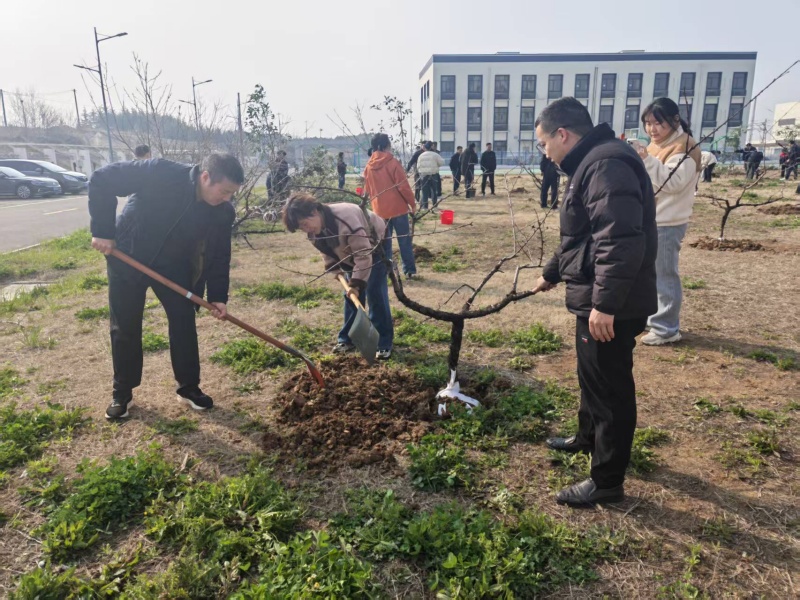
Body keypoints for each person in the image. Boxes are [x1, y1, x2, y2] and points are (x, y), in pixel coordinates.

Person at [531, 97, 657, 508]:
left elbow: (618, 239)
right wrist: (552, 272)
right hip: (598, 296)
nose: (544, 152)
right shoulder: (592, 162)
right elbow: (583, 235)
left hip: (610, 304)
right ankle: (587, 438)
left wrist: (605, 304)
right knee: (592, 377)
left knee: (609, 390)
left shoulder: (604, 165)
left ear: (562, 135)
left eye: (544, 143)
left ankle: (606, 480)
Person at [88, 154, 244, 420]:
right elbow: (101, 179)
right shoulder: (160, 172)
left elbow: (219, 255)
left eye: (232, 193)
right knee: (125, 324)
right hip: (128, 255)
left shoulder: (222, 211)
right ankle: (122, 392)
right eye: (225, 191)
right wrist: (103, 231)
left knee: (183, 320)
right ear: (206, 177)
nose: (227, 198)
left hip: (174, 266)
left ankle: (188, 387)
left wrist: (218, 297)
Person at [282, 193, 393, 360]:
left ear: (314, 212)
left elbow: (363, 256)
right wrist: (335, 270)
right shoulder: (314, 230)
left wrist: (356, 284)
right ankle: (347, 339)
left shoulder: (346, 220)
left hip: (375, 245)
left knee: (375, 291)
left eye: (305, 224)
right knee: (350, 295)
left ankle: (383, 342)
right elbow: (326, 250)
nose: (306, 230)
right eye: (301, 228)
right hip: (350, 252)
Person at [631, 97, 701, 346]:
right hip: (652, 219)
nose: (652, 129)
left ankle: (667, 328)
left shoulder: (685, 146)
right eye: (648, 123)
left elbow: (673, 182)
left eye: (657, 123)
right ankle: (656, 318)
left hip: (668, 222)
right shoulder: (656, 145)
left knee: (664, 274)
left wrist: (645, 159)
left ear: (675, 120)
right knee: (651, 273)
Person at [363, 133, 417, 279]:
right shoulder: (393, 162)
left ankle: (386, 272)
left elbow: (367, 190)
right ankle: (409, 271)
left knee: (384, 243)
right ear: (385, 146)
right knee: (404, 240)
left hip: (379, 211)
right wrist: (412, 203)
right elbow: (403, 187)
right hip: (398, 209)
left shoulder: (368, 166)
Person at [417, 141, 445, 210]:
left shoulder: (421, 155)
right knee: (434, 191)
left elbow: (418, 166)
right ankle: (434, 206)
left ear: (425, 148)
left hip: (423, 175)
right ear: (431, 147)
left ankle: (425, 207)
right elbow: (442, 163)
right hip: (433, 175)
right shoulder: (435, 155)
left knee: (424, 192)